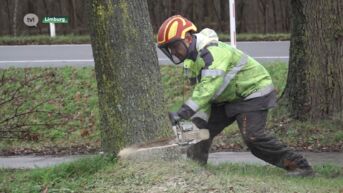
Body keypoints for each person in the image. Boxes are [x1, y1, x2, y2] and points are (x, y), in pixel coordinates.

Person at [157, 15, 314, 177]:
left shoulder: (213, 53)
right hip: (225, 98)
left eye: (174, 46)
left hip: (252, 93)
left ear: (188, 39)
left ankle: (301, 167)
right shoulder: (190, 62)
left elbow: (208, 88)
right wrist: (192, 125)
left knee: (253, 137)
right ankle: (194, 171)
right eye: (169, 49)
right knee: (198, 131)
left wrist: (183, 113)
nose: (173, 52)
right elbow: (202, 97)